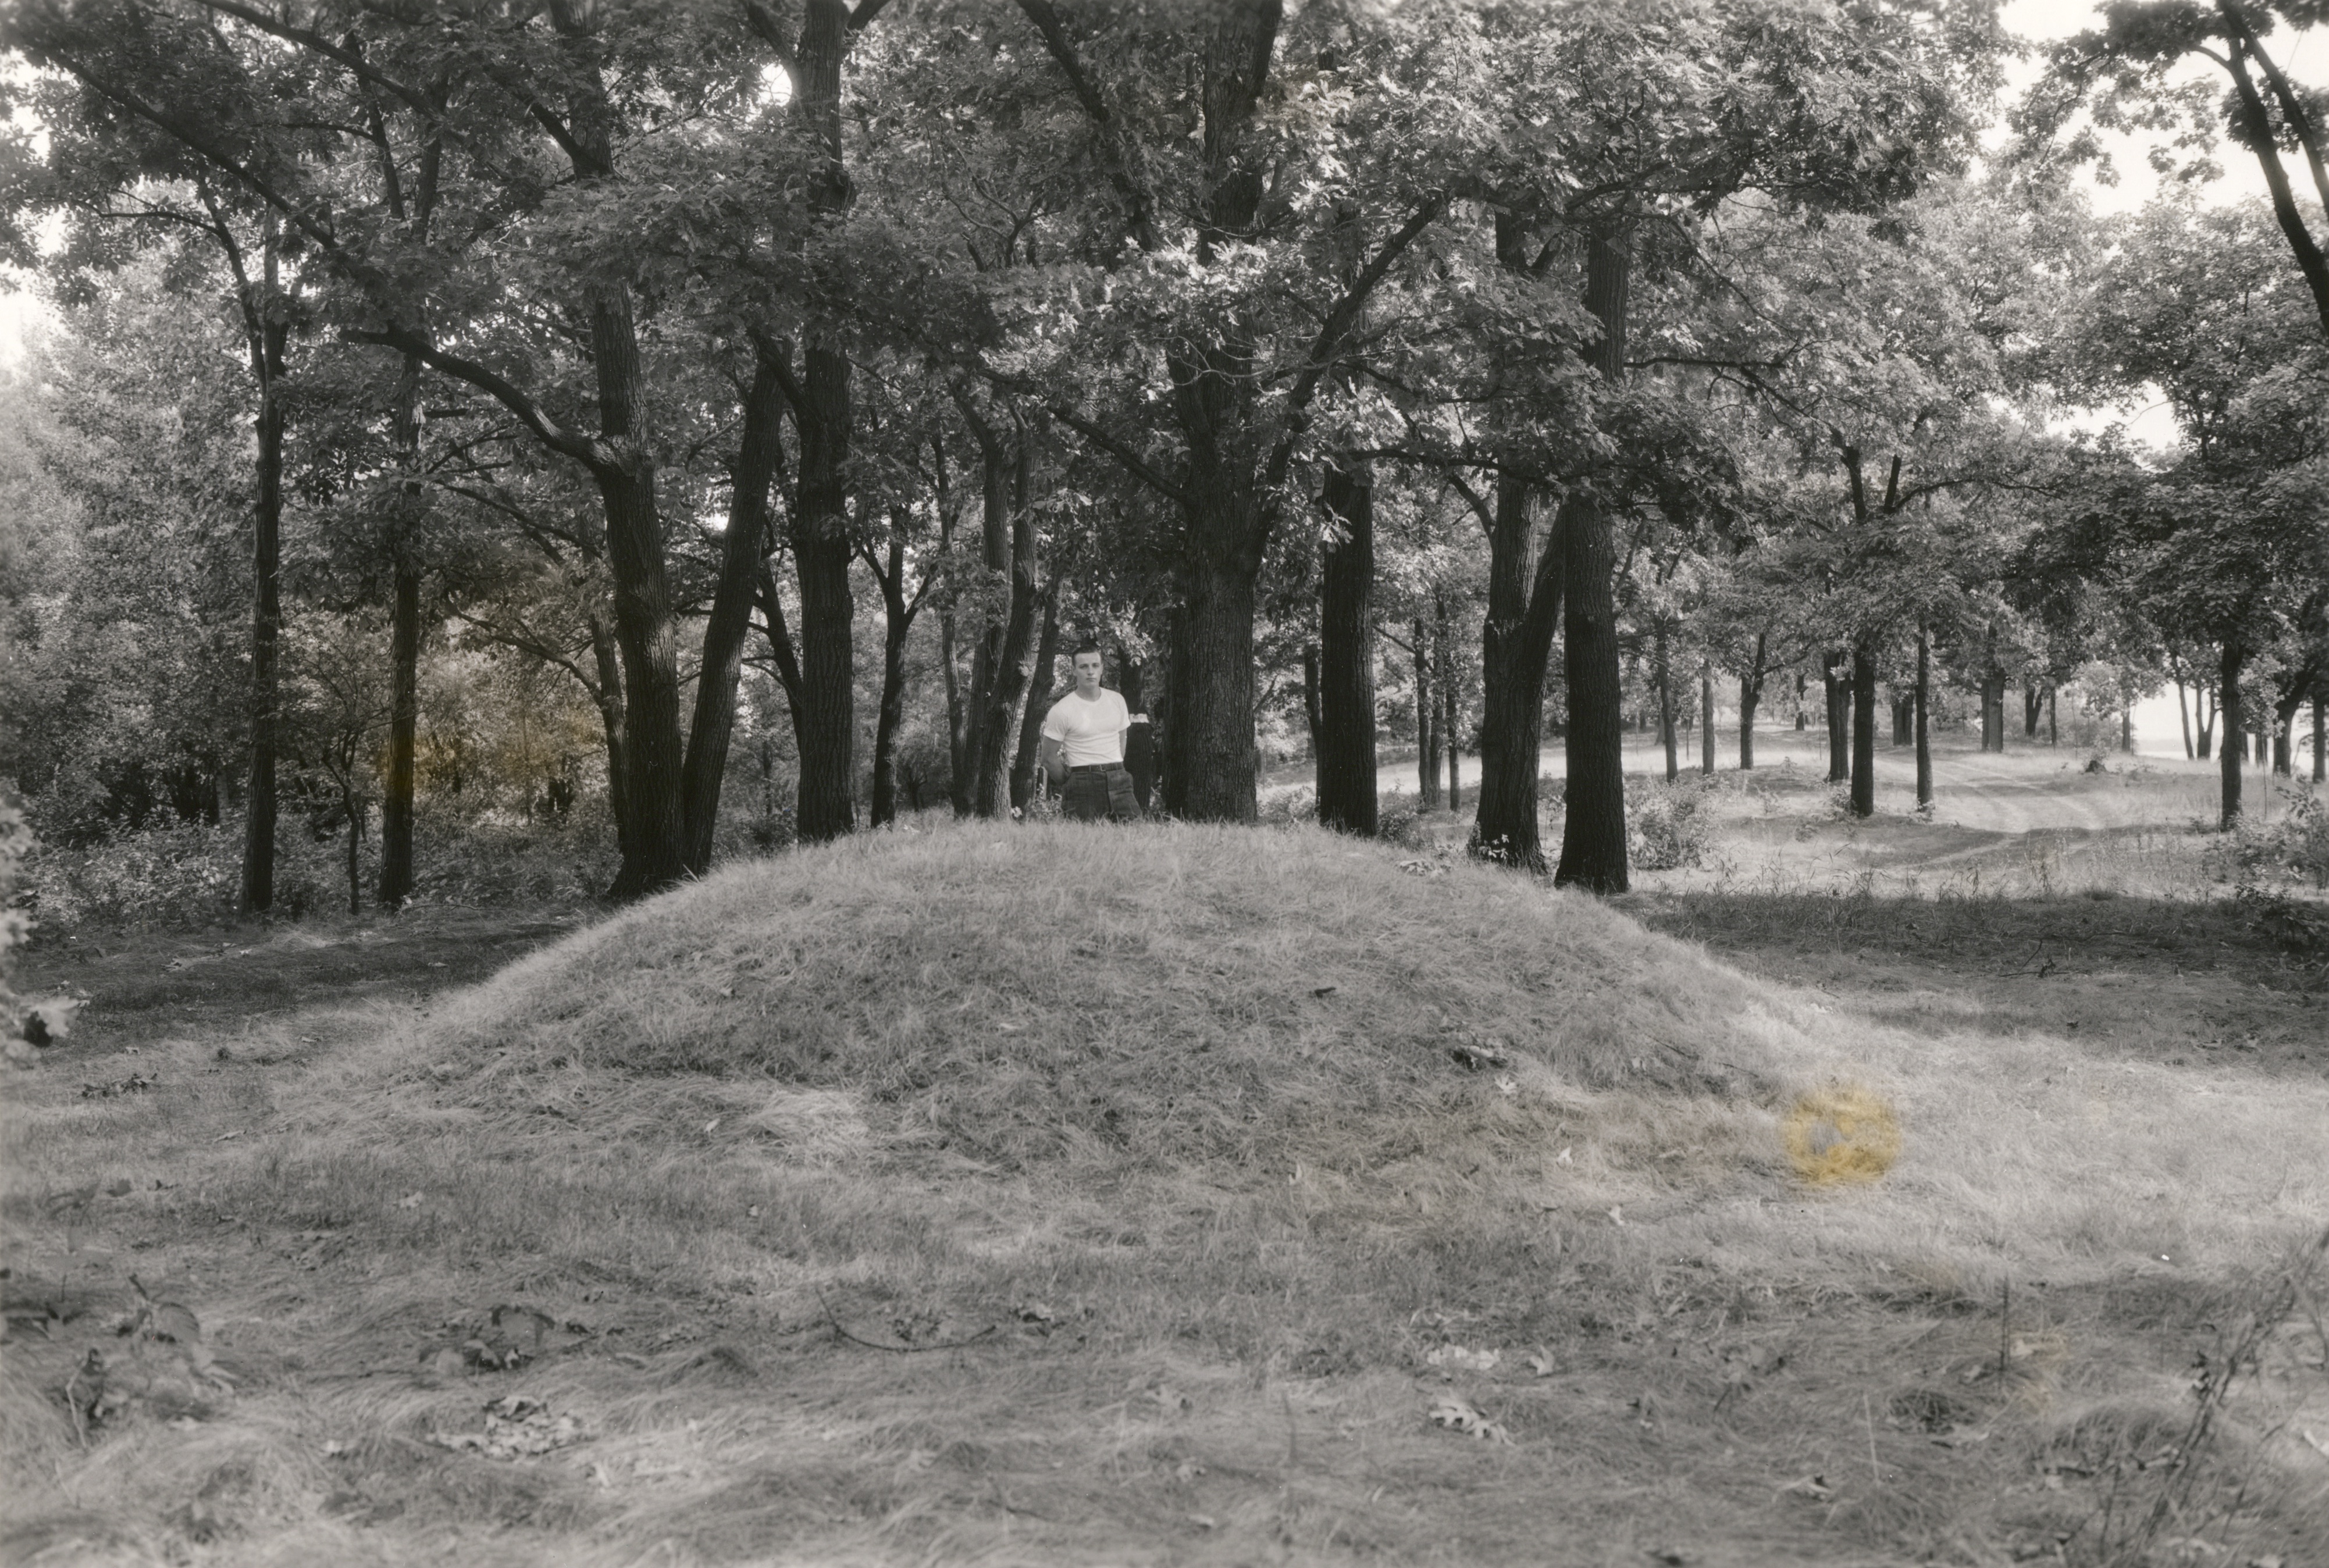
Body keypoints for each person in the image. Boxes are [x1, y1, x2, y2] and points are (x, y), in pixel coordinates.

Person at [1039, 643, 1140, 822]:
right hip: (1083, 783)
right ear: (1074, 670)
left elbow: (1121, 742)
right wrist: (1072, 782)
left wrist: (1113, 769)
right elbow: (1048, 757)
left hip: (1120, 779)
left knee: (1134, 838)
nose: (1090, 671)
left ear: (1102, 668)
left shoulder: (1117, 701)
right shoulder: (1062, 710)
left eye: (1095, 666)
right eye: (1083, 667)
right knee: (1086, 845)